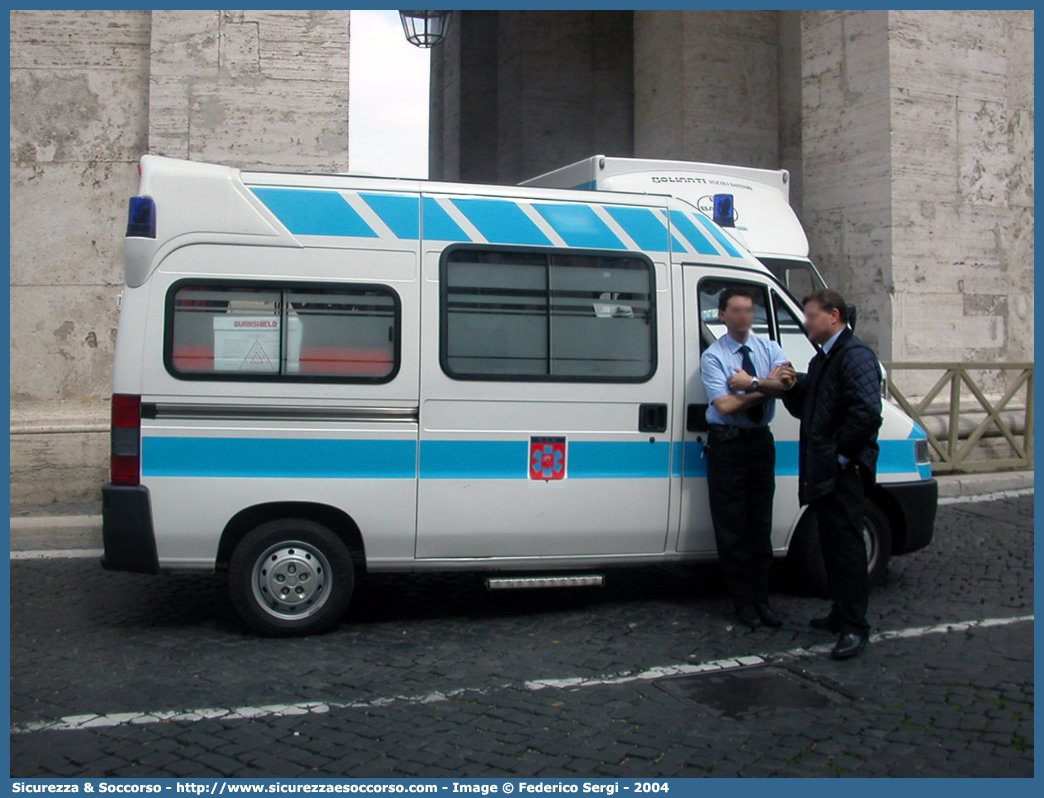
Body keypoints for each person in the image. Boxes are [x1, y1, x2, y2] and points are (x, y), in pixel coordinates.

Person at [779, 289, 882, 660]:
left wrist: (841, 455)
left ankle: (856, 627)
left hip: (841, 470)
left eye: (810, 316)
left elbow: (867, 413)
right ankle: (841, 613)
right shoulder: (826, 358)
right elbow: (812, 409)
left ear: (834, 316)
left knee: (848, 550)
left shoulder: (854, 356)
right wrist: (793, 386)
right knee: (833, 547)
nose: (806, 323)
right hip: (825, 469)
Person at [700, 287, 795, 629]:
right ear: (722, 315)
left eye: (749, 310)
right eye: (737, 311)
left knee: (760, 527)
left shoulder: (769, 347)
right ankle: (743, 604)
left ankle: (763, 601)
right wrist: (765, 387)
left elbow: (787, 385)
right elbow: (724, 405)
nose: (745, 316)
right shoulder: (713, 356)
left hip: (760, 444)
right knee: (733, 530)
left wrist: (749, 382)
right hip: (728, 447)